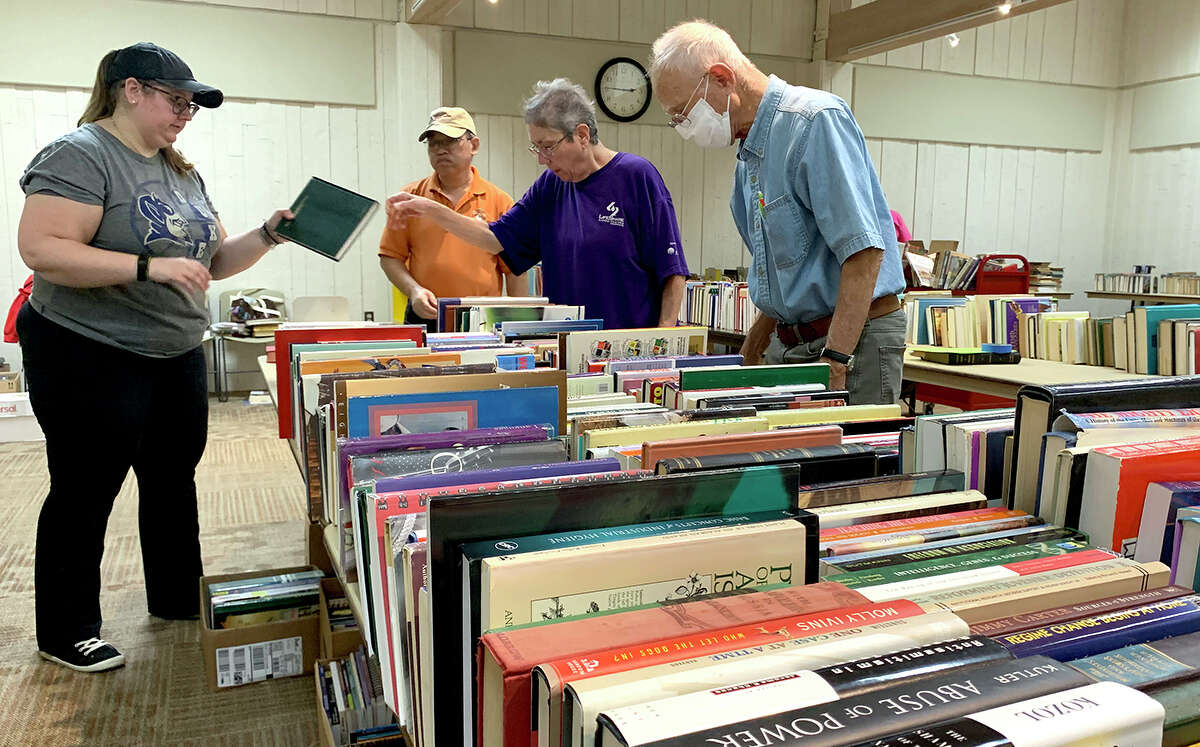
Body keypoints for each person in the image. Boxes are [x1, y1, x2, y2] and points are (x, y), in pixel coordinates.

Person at [15, 42, 294, 672]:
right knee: (86, 488)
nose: (187, 113)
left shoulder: (180, 170)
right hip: (91, 349)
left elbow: (212, 262)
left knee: (172, 481)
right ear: (130, 90)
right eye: (177, 100)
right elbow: (42, 247)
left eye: (192, 104)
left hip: (174, 350)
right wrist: (148, 265)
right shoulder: (82, 154)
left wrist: (270, 233)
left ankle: (174, 598)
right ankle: (67, 629)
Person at [649, 21, 907, 404]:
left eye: (683, 113)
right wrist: (753, 346)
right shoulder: (747, 160)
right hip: (792, 343)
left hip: (854, 342)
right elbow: (784, 275)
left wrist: (836, 360)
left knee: (845, 461)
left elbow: (864, 253)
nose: (684, 127)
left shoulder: (814, 121)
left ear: (721, 78)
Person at [386, 79, 689, 330]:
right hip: (566, 346)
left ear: (582, 135)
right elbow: (495, 239)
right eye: (536, 148)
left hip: (628, 346)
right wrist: (432, 210)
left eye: (548, 146)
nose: (543, 159)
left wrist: (662, 341)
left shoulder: (636, 177)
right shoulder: (551, 186)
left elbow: (672, 270)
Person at [378, 107, 523, 331]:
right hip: (426, 314)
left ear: (473, 145)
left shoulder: (499, 201)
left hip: (482, 318)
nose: (440, 150)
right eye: (433, 143)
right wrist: (414, 291)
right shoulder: (411, 198)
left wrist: (519, 323)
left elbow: (515, 268)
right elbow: (390, 256)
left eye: (450, 141)